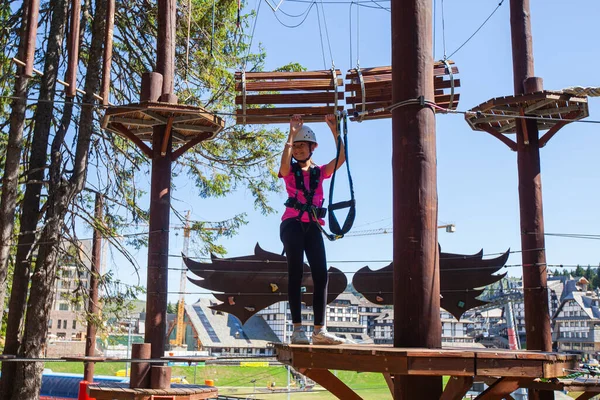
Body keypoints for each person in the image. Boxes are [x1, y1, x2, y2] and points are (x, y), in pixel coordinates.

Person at [279, 114, 347, 345]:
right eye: (295, 146)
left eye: (302, 146)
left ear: (312, 148)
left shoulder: (319, 173)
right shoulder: (289, 172)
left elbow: (341, 159)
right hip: (292, 224)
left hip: (314, 226)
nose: (298, 150)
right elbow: (284, 164)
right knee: (296, 272)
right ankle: (298, 329)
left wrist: (335, 130)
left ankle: (320, 330)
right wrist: (291, 133)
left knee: (321, 274)